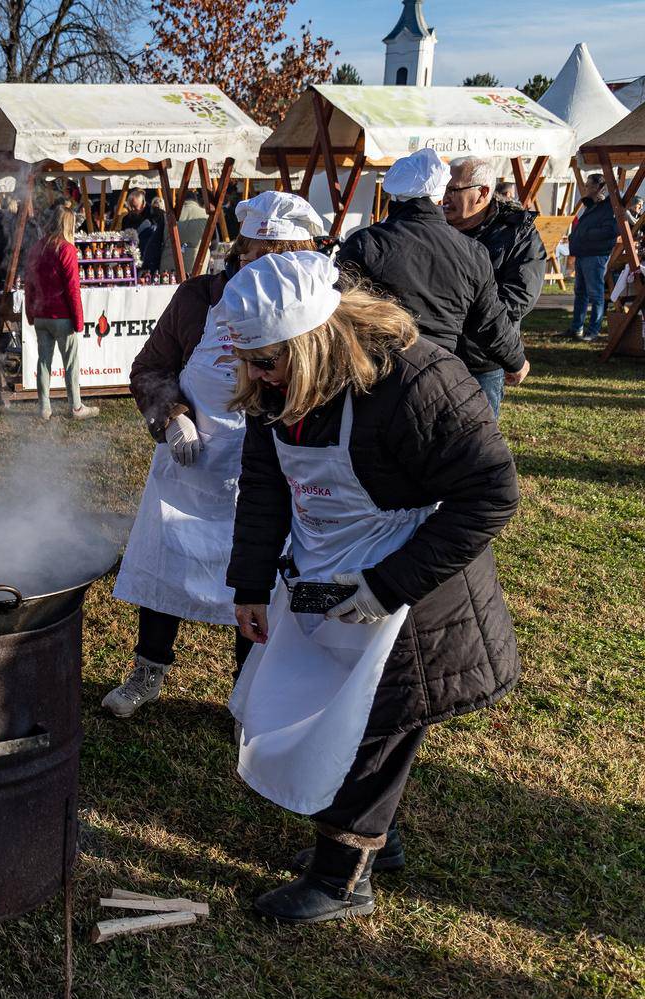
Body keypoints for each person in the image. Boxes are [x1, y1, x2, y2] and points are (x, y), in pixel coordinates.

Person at [223, 252, 519, 923]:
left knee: (376, 721)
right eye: (248, 363)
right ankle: (368, 844)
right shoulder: (276, 389)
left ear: (313, 341)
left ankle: (342, 878)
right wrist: (248, 580)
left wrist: (388, 587)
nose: (256, 379)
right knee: (327, 705)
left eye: (267, 362)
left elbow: (493, 492)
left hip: (416, 588)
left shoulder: (418, 380)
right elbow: (267, 483)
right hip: (329, 571)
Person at [104, 192, 321, 716]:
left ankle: (247, 692)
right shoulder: (198, 298)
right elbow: (150, 367)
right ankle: (148, 670)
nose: (263, 271)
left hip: (264, 472)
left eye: (278, 261)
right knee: (165, 569)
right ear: (241, 251)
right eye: (255, 257)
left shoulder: (311, 311)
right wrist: (172, 415)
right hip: (190, 464)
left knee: (256, 579)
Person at [336, 148, 527, 381]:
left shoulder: (365, 243)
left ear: (395, 196)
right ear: (440, 196)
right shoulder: (472, 251)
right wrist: (516, 361)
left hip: (378, 370)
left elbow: (339, 306)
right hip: (439, 371)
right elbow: (489, 319)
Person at [443, 157, 543, 417]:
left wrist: (458, 316)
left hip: (482, 359)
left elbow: (518, 298)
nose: (445, 197)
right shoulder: (435, 229)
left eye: (453, 189)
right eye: (443, 188)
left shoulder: (517, 234)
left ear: (483, 193)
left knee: (477, 441)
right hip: (436, 355)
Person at [25, 203, 97, 421]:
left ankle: (44, 408)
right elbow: (72, 287)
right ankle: (76, 406)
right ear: (69, 224)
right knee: (71, 364)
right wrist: (79, 320)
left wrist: (30, 312)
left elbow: (29, 283)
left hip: (41, 315)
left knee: (43, 362)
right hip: (62, 316)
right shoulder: (67, 249)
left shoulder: (37, 247)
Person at [568, 173, 619, 341]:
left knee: (595, 294)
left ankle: (593, 331)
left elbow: (611, 230)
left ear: (598, 187)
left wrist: (586, 234)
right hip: (584, 253)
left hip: (595, 255)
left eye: (589, 185)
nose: (586, 188)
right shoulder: (591, 206)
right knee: (580, 293)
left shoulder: (608, 207)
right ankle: (577, 328)